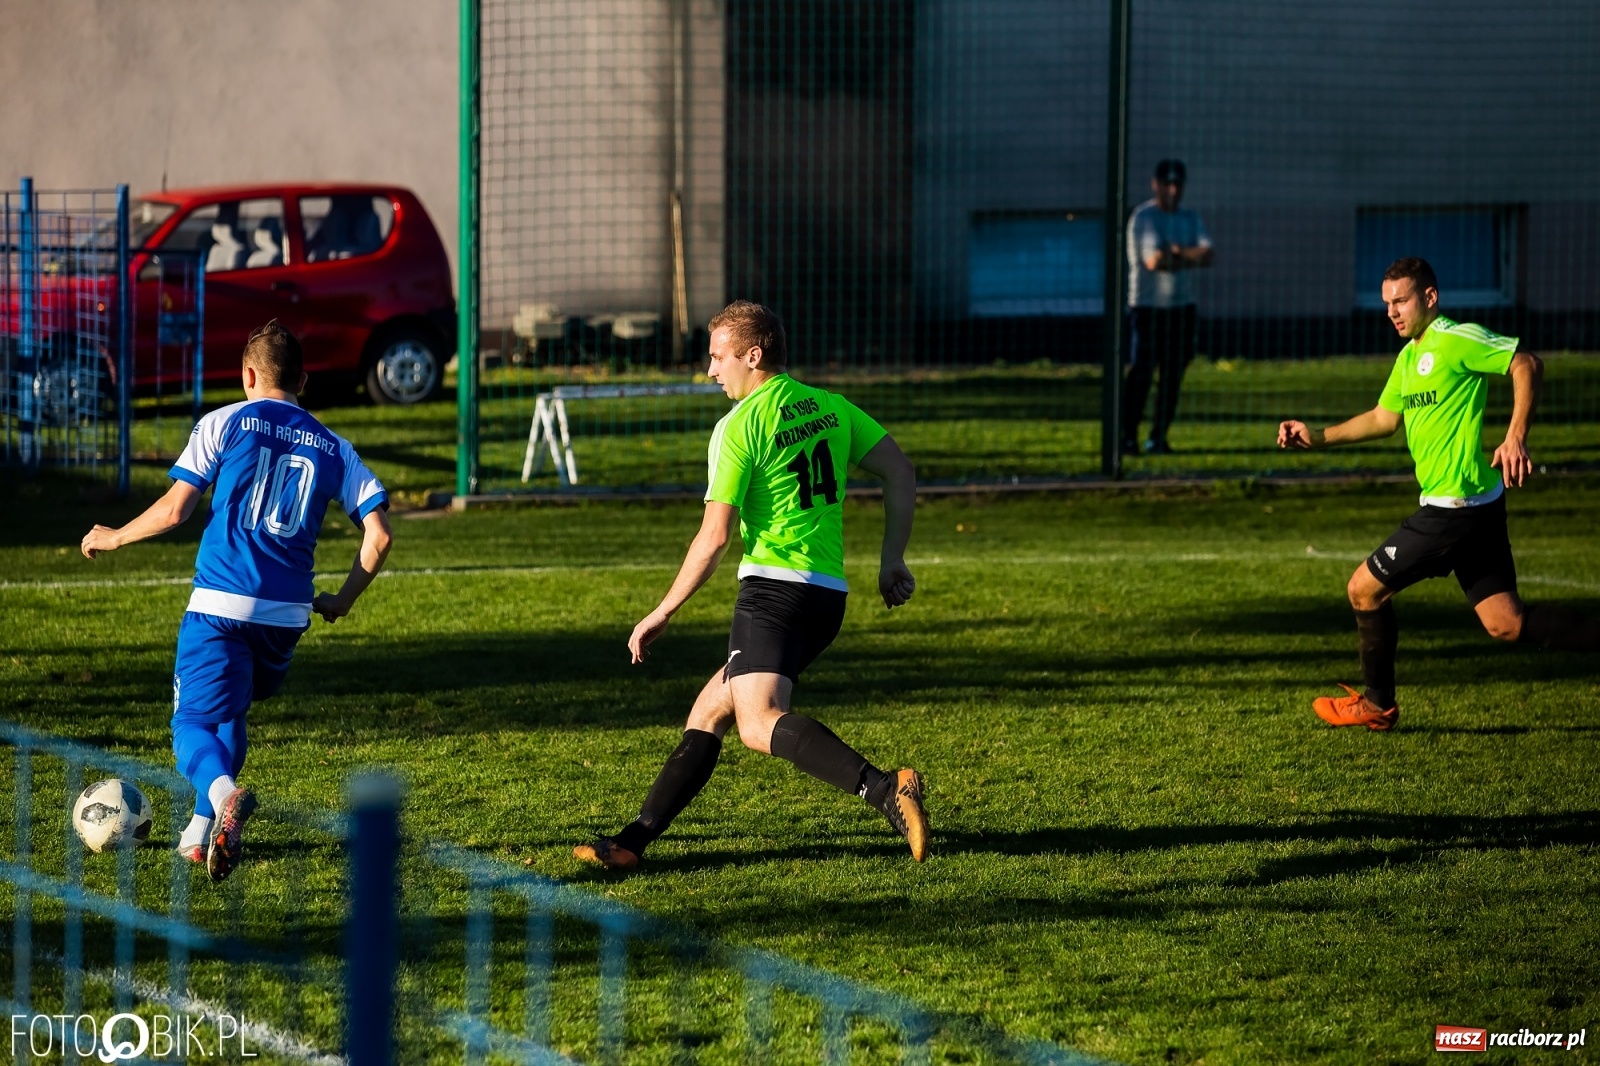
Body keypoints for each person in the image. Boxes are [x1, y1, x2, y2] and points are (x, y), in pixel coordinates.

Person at [574, 301, 929, 870]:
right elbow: (900, 471)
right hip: (826, 596)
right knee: (710, 710)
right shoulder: (830, 408)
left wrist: (662, 611)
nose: (710, 370)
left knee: (758, 722)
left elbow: (713, 537)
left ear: (753, 355)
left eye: (717, 357)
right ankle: (630, 845)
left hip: (772, 594)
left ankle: (887, 789)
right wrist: (892, 560)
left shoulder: (739, 426)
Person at [80, 321, 392, 880]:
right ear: (302, 379)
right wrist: (342, 600)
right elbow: (380, 535)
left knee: (191, 724)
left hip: (222, 602)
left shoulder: (223, 422)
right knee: (232, 707)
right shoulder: (337, 448)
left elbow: (176, 510)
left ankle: (223, 794)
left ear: (247, 375)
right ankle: (200, 833)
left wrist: (115, 535)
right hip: (288, 616)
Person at [1277, 257, 1598, 730]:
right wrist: (1317, 436)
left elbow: (1526, 363)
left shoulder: (1455, 339)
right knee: (1505, 623)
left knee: (1362, 590)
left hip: (1452, 511)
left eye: (1401, 300)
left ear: (1430, 297)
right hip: (1477, 508)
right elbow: (1384, 419)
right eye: (1386, 303)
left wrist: (1515, 437)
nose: (1391, 311)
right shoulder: (1409, 357)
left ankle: (1377, 703)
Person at [1124, 158, 1214, 455]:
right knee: (1142, 374)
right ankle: (1127, 436)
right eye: (1167, 184)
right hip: (1148, 309)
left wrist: (1175, 251)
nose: (1173, 191)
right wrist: (1187, 255)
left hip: (1181, 309)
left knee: (1172, 377)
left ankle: (1158, 437)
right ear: (1156, 185)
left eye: (1178, 185)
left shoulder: (1190, 218)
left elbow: (1208, 255)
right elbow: (1155, 261)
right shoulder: (1144, 218)